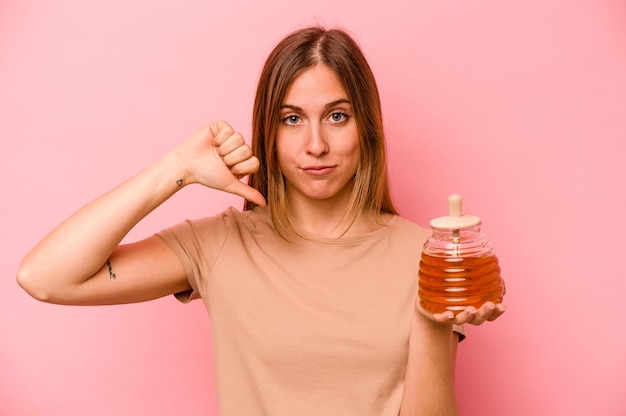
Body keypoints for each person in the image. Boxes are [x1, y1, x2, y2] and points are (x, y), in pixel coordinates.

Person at [17, 25, 505, 415]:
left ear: (367, 128)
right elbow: (44, 278)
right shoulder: (223, 244)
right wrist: (176, 170)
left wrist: (433, 321)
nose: (315, 144)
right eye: (292, 119)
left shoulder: (428, 255)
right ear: (267, 132)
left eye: (337, 116)